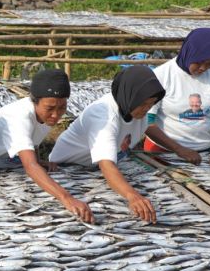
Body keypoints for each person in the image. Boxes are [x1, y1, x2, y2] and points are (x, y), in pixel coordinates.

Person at [0, 69, 95, 223]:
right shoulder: (18, 117)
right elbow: (30, 166)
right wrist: (67, 198)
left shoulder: (44, 115)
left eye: (62, 107)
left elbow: (32, 142)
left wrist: (39, 160)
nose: (56, 114)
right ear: (34, 101)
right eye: (50, 108)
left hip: (9, 168)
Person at [49, 65, 167, 223]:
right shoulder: (103, 117)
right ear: (131, 96)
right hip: (65, 169)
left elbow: (148, 127)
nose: (147, 108)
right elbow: (106, 165)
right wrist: (133, 196)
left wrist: (179, 149)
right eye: (143, 104)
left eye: (151, 103)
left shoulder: (135, 108)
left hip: (92, 170)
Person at [144, 28, 210, 166]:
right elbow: (146, 121)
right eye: (199, 62)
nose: (203, 68)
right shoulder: (161, 75)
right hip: (161, 152)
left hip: (204, 153)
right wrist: (179, 149)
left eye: (209, 64)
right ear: (189, 53)